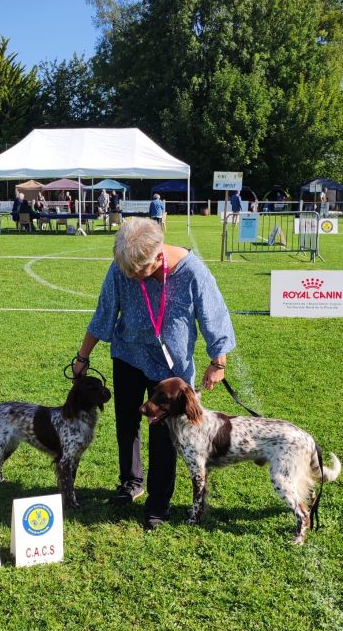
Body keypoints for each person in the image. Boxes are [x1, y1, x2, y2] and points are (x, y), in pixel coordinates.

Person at [71, 218, 236, 531]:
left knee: (165, 436)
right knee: (127, 424)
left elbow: (214, 316)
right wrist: (83, 357)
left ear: (159, 257)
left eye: (138, 272)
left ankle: (158, 503)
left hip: (171, 371)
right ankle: (131, 483)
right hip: (128, 355)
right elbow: (104, 314)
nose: (131, 277)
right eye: (127, 271)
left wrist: (218, 362)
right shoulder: (123, 268)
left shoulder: (192, 272)